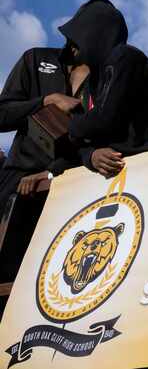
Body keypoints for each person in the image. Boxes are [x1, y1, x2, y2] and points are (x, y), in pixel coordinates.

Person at [0, 34, 91, 289]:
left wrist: (51, 173)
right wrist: (46, 101)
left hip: (65, 190)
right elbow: (2, 115)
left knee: (37, 283)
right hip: (15, 178)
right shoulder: (35, 58)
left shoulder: (106, 80)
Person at [61, 0, 148, 178]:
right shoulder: (94, 80)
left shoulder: (122, 57)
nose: (70, 46)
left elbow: (103, 119)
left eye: (76, 36)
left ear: (94, 33)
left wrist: (68, 128)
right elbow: (94, 136)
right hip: (122, 172)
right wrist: (91, 156)